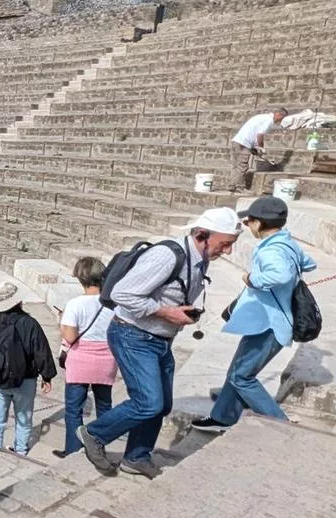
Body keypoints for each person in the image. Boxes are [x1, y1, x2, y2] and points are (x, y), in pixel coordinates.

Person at [82, 208, 241, 479]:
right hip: (133, 335)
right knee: (148, 402)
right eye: (224, 244)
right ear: (202, 235)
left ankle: (137, 457)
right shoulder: (167, 256)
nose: (227, 251)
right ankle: (94, 434)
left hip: (159, 339)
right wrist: (166, 312)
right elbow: (122, 294)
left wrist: (179, 312)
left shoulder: (200, 258)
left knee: (162, 404)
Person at [194, 196, 317, 432]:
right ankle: (223, 415)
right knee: (238, 370)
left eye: (249, 222)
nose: (248, 226)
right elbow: (309, 263)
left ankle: (280, 422)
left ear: (258, 223)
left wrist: (252, 278)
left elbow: (279, 275)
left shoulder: (272, 249)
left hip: (271, 324)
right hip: (264, 320)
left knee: (242, 376)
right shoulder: (286, 242)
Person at [0, 280, 57, 457]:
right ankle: (21, 451)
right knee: (24, 418)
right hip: (26, 380)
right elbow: (40, 350)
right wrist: (47, 376)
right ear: (17, 301)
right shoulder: (29, 323)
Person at [55, 258, 116, 458]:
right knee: (104, 407)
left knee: (74, 410)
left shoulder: (75, 304)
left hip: (80, 360)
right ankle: (99, 448)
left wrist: (61, 323)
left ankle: (74, 451)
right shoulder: (112, 304)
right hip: (106, 359)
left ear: (80, 278)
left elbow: (70, 337)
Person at [228, 108, 288, 192]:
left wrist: (253, 148)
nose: (280, 120)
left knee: (236, 165)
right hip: (244, 144)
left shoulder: (262, 117)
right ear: (279, 115)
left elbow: (253, 133)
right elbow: (260, 135)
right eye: (282, 118)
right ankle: (239, 187)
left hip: (237, 141)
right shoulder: (269, 120)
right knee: (242, 166)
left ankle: (232, 185)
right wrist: (261, 147)